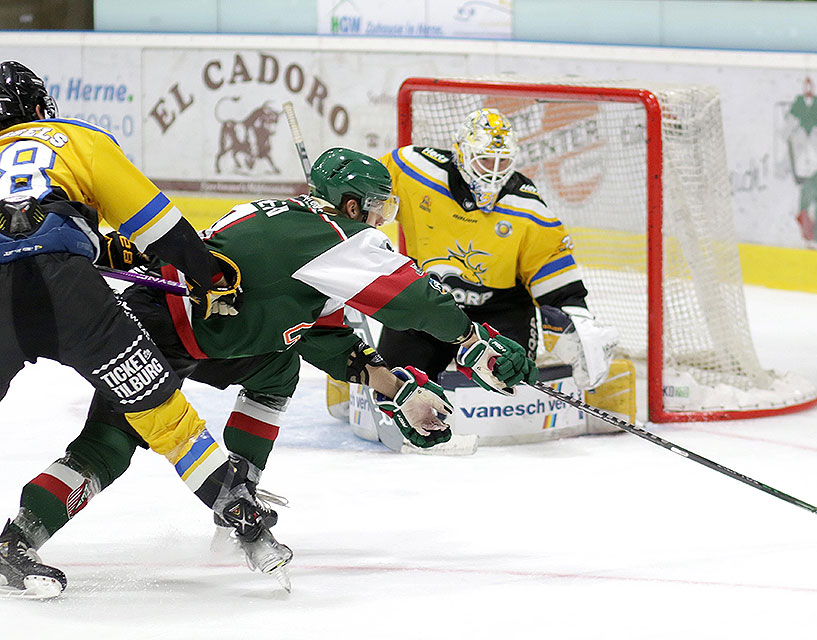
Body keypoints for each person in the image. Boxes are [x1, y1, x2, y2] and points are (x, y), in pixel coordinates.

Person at [5, 147, 538, 594]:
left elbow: (318, 334)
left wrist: (393, 386)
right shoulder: (332, 237)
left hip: (181, 327)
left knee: (274, 368)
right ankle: (227, 502)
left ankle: (233, 498)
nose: (381, 223)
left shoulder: (291, 227)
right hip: (173, 332)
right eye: (377, 210)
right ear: (351, 205)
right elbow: (411, 299)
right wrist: (471, 341)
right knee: (111, 444)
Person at [0, 61, 260, 600]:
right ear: (39, 107)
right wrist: (210, 276)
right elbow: (158, 225)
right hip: (70, 291)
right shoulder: (76, 138)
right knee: (154, 403)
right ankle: (234, 504)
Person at [377, 107, 617, 394]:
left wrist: (579, 327)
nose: (492, 172)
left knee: (509, 386)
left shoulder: (527, 208)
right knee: (394, 386)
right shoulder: (413, 170)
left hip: (498, 309)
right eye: (484, 161)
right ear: (462, 153)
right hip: (427, 302)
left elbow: (554, 276)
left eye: (502, 163)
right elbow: (363, 195)